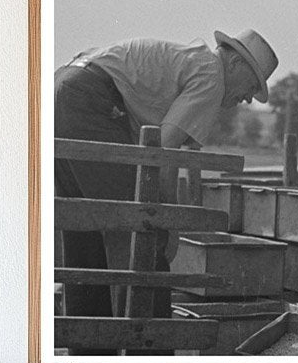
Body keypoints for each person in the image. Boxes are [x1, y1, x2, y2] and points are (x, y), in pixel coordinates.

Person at [54, 29, 278, 320]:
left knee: (87, 226)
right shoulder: (212, 77)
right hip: (89, 103)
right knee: (143, 228)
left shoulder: (193, 62)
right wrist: (168, 224)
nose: (249, 98)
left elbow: (162, 151)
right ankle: (151, 346)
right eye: (252, 85)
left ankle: (91, 349)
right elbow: (164, 152)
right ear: (235, 64)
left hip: (64, 89)